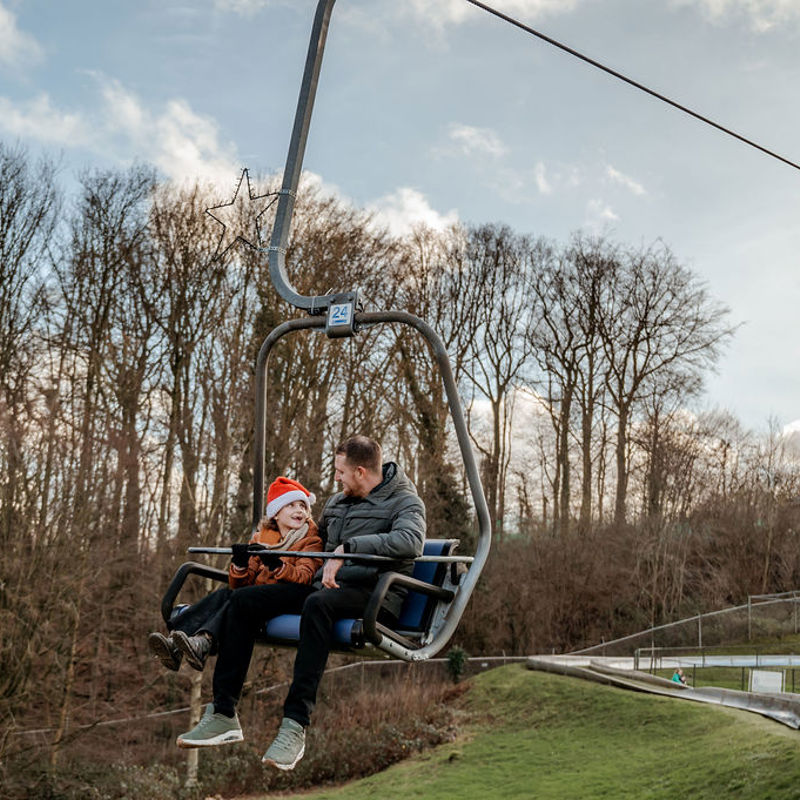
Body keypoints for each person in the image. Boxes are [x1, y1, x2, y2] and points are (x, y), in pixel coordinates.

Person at [176, 435, 426, 772]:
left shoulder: (405, 502)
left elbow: (410, 541)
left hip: (373, 593)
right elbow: (311, 541)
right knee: (244, 600)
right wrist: (269, 543)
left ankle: (295, 725)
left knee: (318, 605)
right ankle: (223, 713)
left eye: (340, 472)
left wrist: (347, 549)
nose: (336, 478)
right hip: (323, 584)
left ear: (361, 471)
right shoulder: (337, 503)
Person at [148, 477, 322, 673]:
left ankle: (202, 642)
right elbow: (239, 586)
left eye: (303, 506)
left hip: (285, 598)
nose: (299, 510)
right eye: (291, 505)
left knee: (235, 599)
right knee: (225, 594)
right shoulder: (262, 538)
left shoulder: (310, 540)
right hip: (253, 597)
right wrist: (239, 565)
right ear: (276, 513)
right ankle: (177, 642)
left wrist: (277, 566)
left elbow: (305, 576)